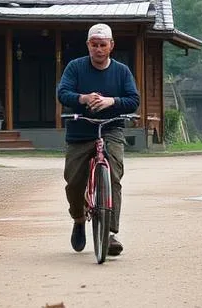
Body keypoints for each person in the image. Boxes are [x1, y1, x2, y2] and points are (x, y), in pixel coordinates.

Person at [56, 23, 140, 257]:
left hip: (111, 129)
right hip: (80, 131)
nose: (99, 49)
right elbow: (63, 93)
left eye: (103, 45)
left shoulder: (122, 71)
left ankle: (110, 233)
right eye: (94, 45)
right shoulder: (75, 67)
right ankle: (79, 218)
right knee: (73, 182)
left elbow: (133, 100)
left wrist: (111, 101)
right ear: (88, 45)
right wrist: (84, 98)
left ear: (111, 46)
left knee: (113, 175)